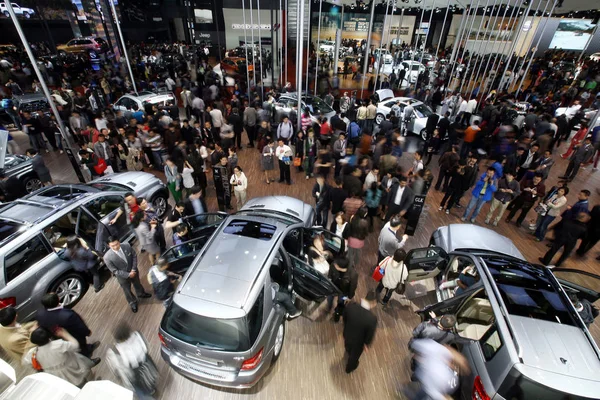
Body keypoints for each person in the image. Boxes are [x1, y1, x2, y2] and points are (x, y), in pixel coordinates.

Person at [24, 327, 99, 386]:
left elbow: (26, 362)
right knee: (80, 380)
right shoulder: (58, 345)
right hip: (70, 369)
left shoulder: (33, 352)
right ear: (48, 337)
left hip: (54, 376)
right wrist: (65, 334)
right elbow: (75, 346)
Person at [36, 293, 99, 358]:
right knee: (81, 347)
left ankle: (86, 349)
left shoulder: (39, 313)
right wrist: (87, 332)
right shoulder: (67, 315)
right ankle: (87, 356)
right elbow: (79, 326)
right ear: (58, 300)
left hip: (57, 337)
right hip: (74, 336)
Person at [106, 322, 158, 399]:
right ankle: (151, 389)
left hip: (134, 374)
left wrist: (121, 378)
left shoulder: (116, 351)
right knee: (150, 380)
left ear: (117, 338)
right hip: (147, 366)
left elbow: (118, 368)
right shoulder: (137, 335)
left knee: (141, 391)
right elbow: (147, 347)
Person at [406, 339, 470, 400]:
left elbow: (435, 394)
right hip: (443, 386)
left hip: (437, 387)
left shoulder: (426, 376)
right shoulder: (434, 350)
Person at [103, 236, 152, 313]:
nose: (116, 247)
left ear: (119, 242)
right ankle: (132, 302)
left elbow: (134, 256)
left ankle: (141, 293)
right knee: (127, 290)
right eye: (113, 246)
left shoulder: (126, 245)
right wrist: (128, 274)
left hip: (134, 271)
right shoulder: (107, 257)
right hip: (123, 277)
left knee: (137, 283)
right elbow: (114, 271)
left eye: (117, 244)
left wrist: (133, 269)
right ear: (109, 246)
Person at [342, 290, 377, 373]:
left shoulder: (351, 306)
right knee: (354, 357)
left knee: (348, 346)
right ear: (374, 303)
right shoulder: (372, 319)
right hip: (358, 342)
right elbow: (369, 334)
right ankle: (349, 368)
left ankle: (348, 350)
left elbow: (344, 318)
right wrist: (366, 344)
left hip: (347, 334)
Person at [327, 257, 358, 322]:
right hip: (333, 287)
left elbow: (353, 287)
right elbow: (329, 275)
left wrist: (349, 296)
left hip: (344, 291)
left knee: (341, 303)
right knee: (330, 298)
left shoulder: (353, 274)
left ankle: (337, 314)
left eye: (337, 266)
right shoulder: (334, 264)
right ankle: (329, 307)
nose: (335, 265)